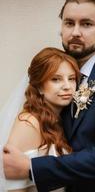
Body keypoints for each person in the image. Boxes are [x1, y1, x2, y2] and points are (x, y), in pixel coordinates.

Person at [3, 0, 95, 192]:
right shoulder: (48, 71)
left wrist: (31, 168)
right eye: (69, 23)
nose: (75, 32)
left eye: (87, 24)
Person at [1, 47, 79, 192]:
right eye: (56, 79)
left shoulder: (58, 121)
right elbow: (13, 188)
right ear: (39, 86)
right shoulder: (29, 124)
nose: (67, 87)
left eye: (72, 79)